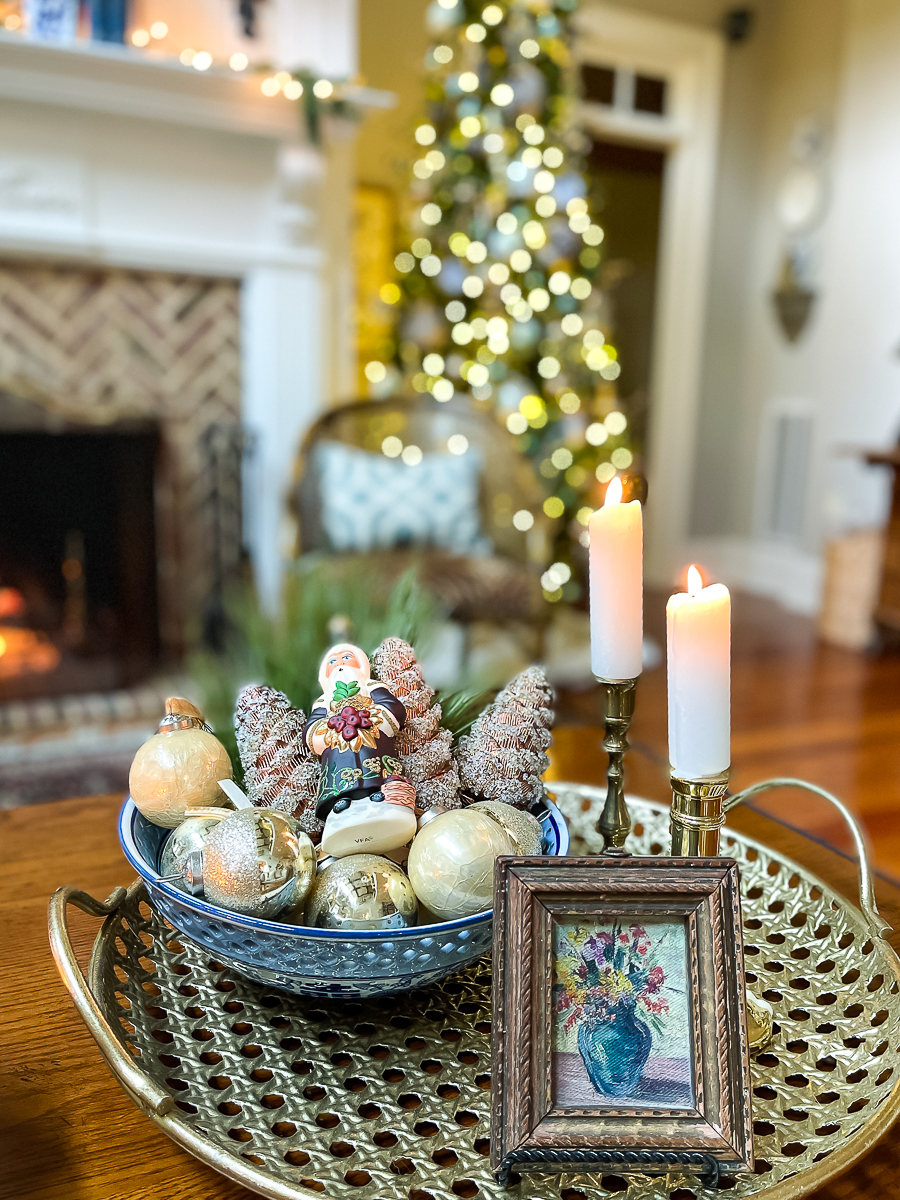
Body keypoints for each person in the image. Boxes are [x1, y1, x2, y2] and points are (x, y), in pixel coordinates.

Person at [304, 642, 417, 820]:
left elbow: (392, 708)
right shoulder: (324, 701)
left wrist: (370, 718)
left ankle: (378, 794)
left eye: (347, 658)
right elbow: (312, 728)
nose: (340, 664)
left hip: (372, 739)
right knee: (340, 772)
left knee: (375, 766)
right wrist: (329, 730)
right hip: (337, 747)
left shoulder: (371, 687)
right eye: (333, 662)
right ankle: (342, 802)